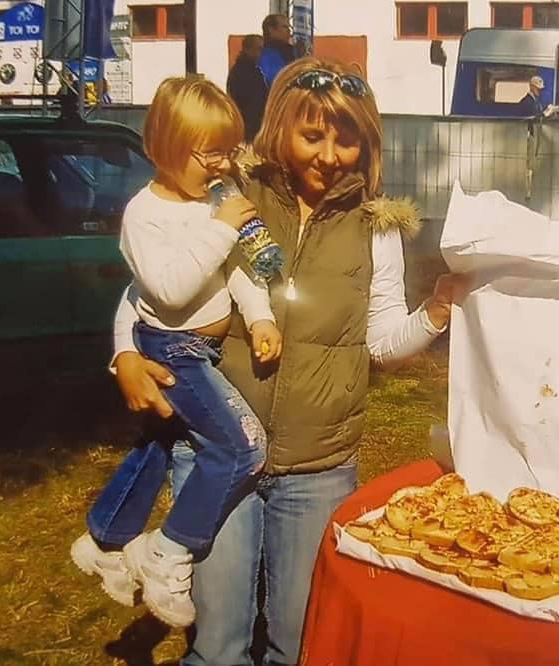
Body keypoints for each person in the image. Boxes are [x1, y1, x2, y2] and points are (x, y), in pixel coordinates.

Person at [111, 58, 464, 664]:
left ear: (366, 141)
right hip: (218, 456)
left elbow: (380, 344)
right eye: (312, 136)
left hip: (318, 467)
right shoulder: (231, 197)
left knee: (301, 645)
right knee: (218, 645)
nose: (329, 155)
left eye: (345, 138)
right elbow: (148, 290)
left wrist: (434, 314)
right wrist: (124, 354)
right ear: (279, 130)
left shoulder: (375, 228)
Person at [69, 77, 282, 629]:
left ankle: (106, 537)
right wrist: (218, 230)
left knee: (161, 442)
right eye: (209, 152)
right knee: (244, 448)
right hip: (174, 348)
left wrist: (258, 315)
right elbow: (168, 290)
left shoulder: (214, 203)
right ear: (164, 147)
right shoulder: (146, 214)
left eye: (228, 150)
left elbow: (235, 269)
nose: (222, 164)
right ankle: (167, 551)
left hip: (199, 348)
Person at [227, 34, 268, 142]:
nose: (261, 53)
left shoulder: (252, 70)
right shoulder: (242, 72)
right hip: (249, 125)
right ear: (247, 49)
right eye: (258, 48)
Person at [258, 14, 296, 88]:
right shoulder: (267, 55)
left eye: (289, 27)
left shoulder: (289, 51)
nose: (289, 31)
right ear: (271, 29)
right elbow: (277, 80)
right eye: (285, 27)